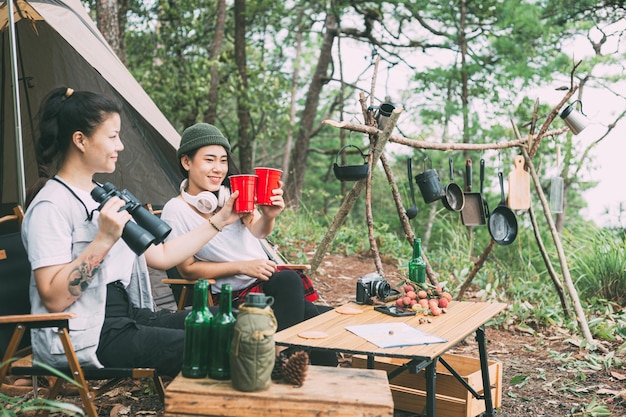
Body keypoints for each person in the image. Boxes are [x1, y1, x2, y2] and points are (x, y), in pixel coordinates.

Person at [21, 87, 240, 377]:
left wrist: (221, 220)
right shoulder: (50, 205)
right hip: (87, 333)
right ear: (80, 140)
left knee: (236, 321)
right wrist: (103, 240)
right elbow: (55, 299)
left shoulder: (99, 194)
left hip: (128, 315)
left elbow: (161, 255)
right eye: (113, 136)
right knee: (209, 342)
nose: (120, 146)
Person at [160, 123, 337, 366]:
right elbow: (187, 269)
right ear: (186, 162)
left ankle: (280, 359)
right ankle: (278, 360)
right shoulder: (175, 210)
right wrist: (242, 266)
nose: (218, 168)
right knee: (313, 327)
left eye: (223, 161)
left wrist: (269, 215)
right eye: (209, 160)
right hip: (229, 294)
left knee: (293, 291)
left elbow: (258, 230)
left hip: (264, 280)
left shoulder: (232, 193)